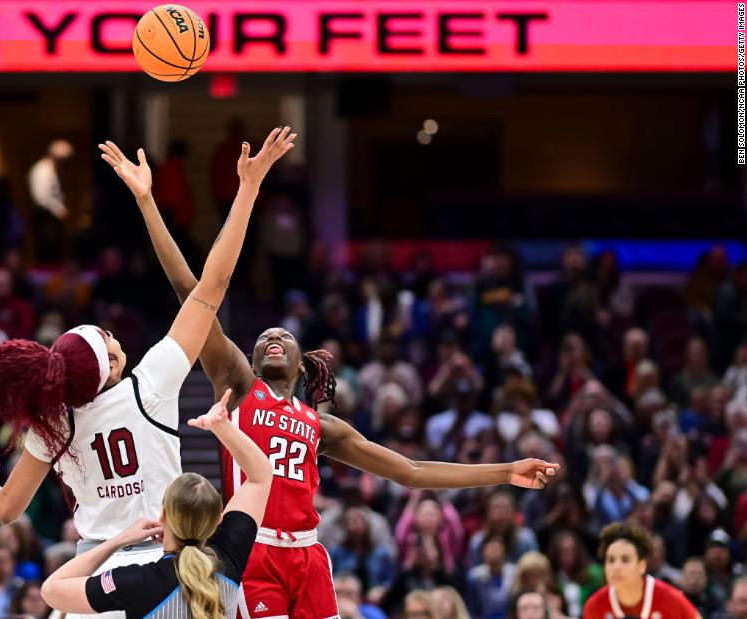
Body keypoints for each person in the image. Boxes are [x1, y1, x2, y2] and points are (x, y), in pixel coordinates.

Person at [121, 130, 561, 619]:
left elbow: (411, 473)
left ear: (303, 361)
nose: (271, 338)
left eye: (282, 337)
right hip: (252, 549)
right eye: (263, 337)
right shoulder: (240, 387)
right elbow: (191, 290)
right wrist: (147, 203)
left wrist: (505, 471)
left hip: (309, 554)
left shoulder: (321, 427)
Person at [0, 127, 295, 619]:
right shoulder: (151, 385)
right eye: (106, 336)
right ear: (113, 364)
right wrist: (245, 188)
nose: (113, 334)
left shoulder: (52, 421)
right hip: (172, 568)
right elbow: (214, 283)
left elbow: (6, 511)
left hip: (94, 580)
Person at [38, 388, 272, 618]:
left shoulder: (139, 581)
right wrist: (223, 427)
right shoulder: (229, 554)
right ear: (218, 520)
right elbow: (261, 476)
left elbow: (52, 591)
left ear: (163, 515)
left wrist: (117, 540)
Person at [582, 522, 701, 619]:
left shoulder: (669, 599)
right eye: (611, 560)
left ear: (642, 566)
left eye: (625, 560)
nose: (616, 567)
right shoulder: (594, 606)